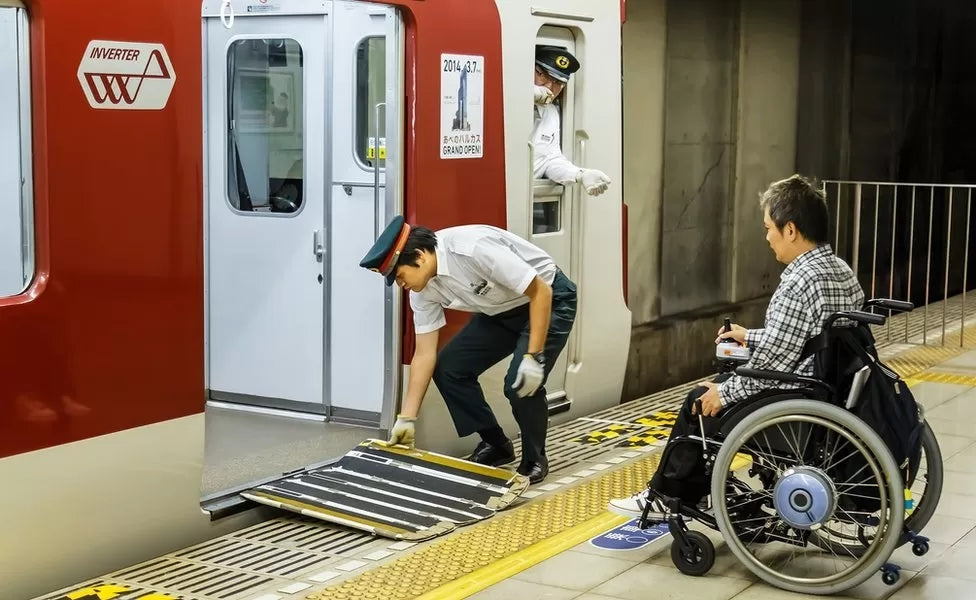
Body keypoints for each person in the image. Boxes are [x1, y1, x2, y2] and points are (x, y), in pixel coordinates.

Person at [607, 174, 866, 518]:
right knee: (721, 380)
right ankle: (694, 489)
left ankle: (668, 498)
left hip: (797, 399)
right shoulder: (840, 270)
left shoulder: (798, 282)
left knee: (698, 399)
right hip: (826, 387)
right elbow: (804, 337)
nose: (767, 237)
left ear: (790, 230)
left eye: (769, 228)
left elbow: (774, 366)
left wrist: (724, 394)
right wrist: (750, 336)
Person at [359, 216, 578, 484]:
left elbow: (540, 292)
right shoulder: (421, 290)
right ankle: (496, 444)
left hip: (550, 299)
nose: (401, 285)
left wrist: (533, 357)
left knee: (519, 384)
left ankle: (534, 458)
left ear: (419, 256)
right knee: (449, 368)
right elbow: (424, 354)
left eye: (400, 276)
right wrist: (406, 419)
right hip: (499, 311)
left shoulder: (472, 249)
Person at [532, 45, 611, 196]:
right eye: (542, 75)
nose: (549, 86)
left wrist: (579, 174)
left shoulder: (551, 113)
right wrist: (524, 94)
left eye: (558, 83)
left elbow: (549, 160)